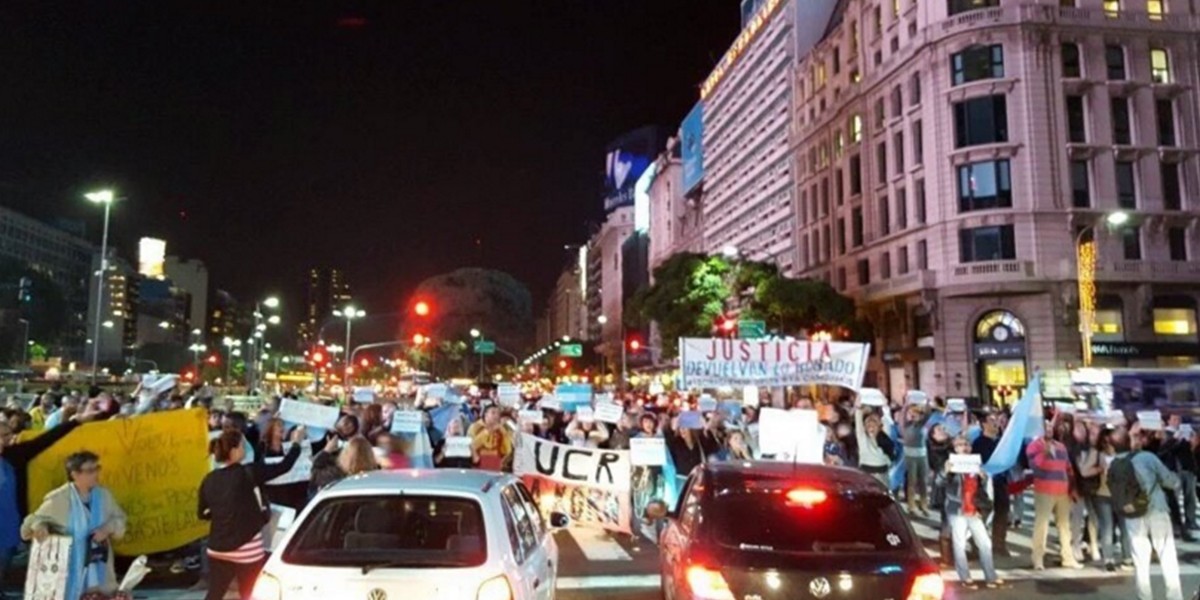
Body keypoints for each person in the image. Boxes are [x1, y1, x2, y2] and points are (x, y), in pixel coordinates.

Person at [199, 428, 304, 600]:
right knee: (250, 592)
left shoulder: (209, 479)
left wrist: (223, 513)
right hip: (247, 548)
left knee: (215, 592)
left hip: (217, 547)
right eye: (242, 446)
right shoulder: (250, 472)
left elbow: (202, 513)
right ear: (234, 451)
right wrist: (297, 443)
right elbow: (285, 466)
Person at [21, 451, 127, 600]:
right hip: (68, 572)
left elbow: (120, 519)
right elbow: (30, 523)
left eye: (97, 468)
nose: (96, 473)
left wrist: (108, 528)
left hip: (100, 571)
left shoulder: (104, 496)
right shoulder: (58, 498)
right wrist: (40, 526)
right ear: (75, 474)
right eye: (90, 470)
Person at [1113, 425, 1183, 600]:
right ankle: (1174, 597)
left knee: (1140, 561)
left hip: (1133, 515)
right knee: (1167, 555)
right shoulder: (1147, 458)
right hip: (1156, 510)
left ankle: (1144, 597)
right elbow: (1169, 480)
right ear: (1130, 441)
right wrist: (1177, 481)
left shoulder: (1115, 464)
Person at [944, 435, 1003, 590]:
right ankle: (965, 577)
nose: (964, 447)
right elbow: (939, 484)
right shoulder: (950, 464)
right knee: (960, 544)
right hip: (958, 509)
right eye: (960, 445)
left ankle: (990, 576)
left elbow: (981, 490)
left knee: (984, 543)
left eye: (966, 444)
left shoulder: (975, 464)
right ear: (955, 448)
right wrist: (945, 472)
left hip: (974, 509)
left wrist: (982, 478)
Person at [1027, 419, 1082, 570]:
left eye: (1050, 426)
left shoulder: (1061, 447)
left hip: (1063, 491)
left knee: (1065, 526)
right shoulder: (1034, 446)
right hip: (1044, 490)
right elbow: (1035, 468)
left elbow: (1068, 468)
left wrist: (1073, 488)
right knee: (1042, 525)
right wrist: (1043, 454)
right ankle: (1038, 559)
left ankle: (1068, 558)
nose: (1049, 429)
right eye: (1045, 427)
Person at [972, 411, 1010, 556]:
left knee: (1002, 513)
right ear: (984, 424)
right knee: (983, 515)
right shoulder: (978, 443)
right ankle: (978, 546)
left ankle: (999, 545)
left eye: (996, 421)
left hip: (1001, 483)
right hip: (984, 484)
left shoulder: (1002, 442)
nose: (996, 423)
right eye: (991, 420)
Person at [310, 436, 378, 494]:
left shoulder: (334, 476)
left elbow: (315, 470)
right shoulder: (376, 478)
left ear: (345, 454)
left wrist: (327, 450)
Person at [469, 405, 514, 471]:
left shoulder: (501, 429)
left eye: (498, 413)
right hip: (479, 462)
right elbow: (472, 445)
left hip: (496, 462)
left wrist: (504, 433)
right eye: (493, 413)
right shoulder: (475, 427)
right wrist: (489, 431)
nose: (496, 416)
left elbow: (507, 450)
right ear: (486, 414)